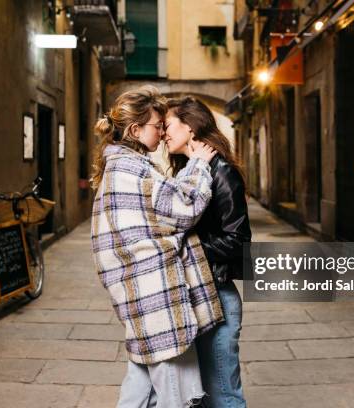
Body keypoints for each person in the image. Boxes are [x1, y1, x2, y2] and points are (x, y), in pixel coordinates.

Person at [90, 86, 224, 407]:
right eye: (157, 125)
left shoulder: (122, 167)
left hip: (141, 297)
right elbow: (183, 208)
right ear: (136, 130)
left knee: (139, 392)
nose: (162, 131)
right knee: (179, 397)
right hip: (158, 300)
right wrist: (198, 167)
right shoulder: (133, 170)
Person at [164, 96, 252, 408]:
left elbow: (238, 240)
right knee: (200, 397)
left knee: (224, 396)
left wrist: (187, 246)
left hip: (216, 295)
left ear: (190, 127)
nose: (164, 133)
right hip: (195, 295)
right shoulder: (190, 171)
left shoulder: (221, 172)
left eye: (168, 125)